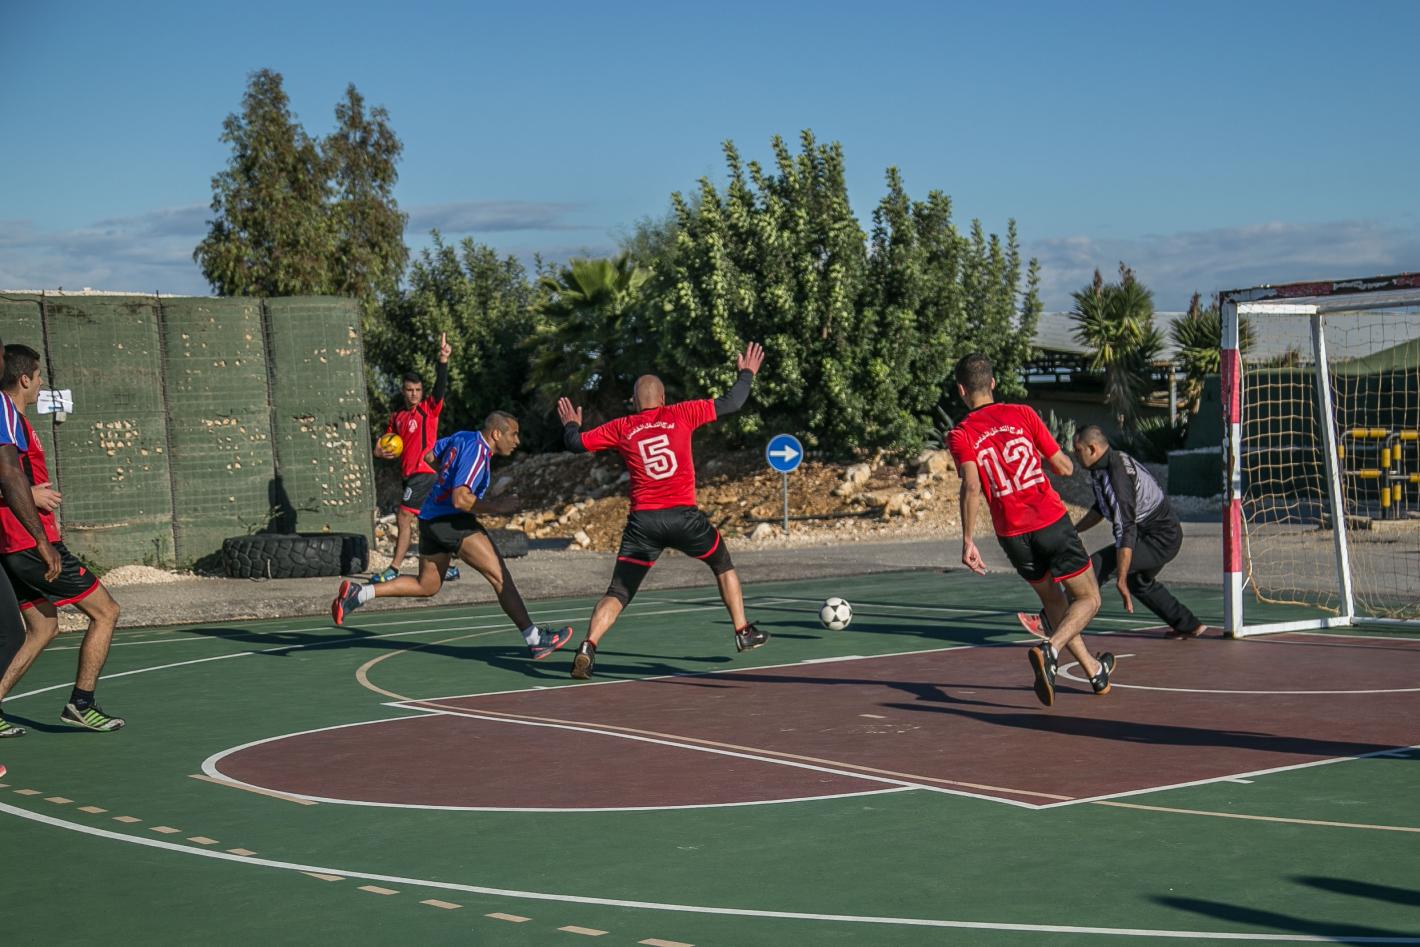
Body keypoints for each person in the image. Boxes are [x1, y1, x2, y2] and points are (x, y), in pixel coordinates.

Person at [556, 342, 769, 680]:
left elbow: (574, 443)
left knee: (618, 592)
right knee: (722, 563)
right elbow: (733, 402)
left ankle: (588, 646)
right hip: (684, 518)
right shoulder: (682, 413)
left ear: (633, 402)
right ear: (663, 399)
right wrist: (747, 374)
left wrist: (571, 424)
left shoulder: (621, 427)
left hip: (643, 524)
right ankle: (743, 630)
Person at [331, 411, 573, 660]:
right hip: (453, 522)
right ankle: (535, 640)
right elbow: (460, 500)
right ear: (496, 434)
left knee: (426, 585)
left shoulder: (462, 437)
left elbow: (429, 456)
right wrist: (497, 506)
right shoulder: (478, 453)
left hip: (429, 518)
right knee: (500, 577)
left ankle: (360, 593)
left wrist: (448, 479)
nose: (517, 441)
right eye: (513, 434)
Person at [945, 353, 1113, 706]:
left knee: (1054, 602)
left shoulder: (960, 434)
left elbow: (972, 486)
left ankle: (1095, 672)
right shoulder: (1022, 414)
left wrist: (968, 540)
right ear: (993, 383)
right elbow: (1064, 468)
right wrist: (1048, 462)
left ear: (961, 390)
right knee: (1089, 599)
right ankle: (1051, 649)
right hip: (1049, 521)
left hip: (1012, 535)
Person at [0, 344, 123, 735]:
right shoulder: (7, 416)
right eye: (38, 377)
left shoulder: (17, 420)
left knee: (43, 628)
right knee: (106, 612)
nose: (41, 384)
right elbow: (8, 477)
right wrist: (33, 507)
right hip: (28, 543)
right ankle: (81, 703)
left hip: (18, 544)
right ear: (24, 379)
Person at [1046, 425, 1208, 639]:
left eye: (1078, 450)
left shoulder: (1117, 474)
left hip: (1161, 538)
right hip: (1152, 534)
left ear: (1092, 449)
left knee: (1098, 565)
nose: (1075, 456)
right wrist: (1075, 530)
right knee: (1139, 583)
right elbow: (1101, 508)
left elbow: (1125, 529)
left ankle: (1050, 620)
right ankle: (1188, 625)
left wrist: (1121, 577)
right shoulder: (1104, 466)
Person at [373, 333, 458, 583]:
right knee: (427, 521)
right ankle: (445, 567)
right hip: (409, 476)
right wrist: (378, 452)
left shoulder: (428, 409)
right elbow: (386, 444)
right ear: (403, 391)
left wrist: (443, 361)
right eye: (409, 390)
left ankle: (394, 567)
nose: (414, 394)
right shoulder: (397, 417)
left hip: (425, 472)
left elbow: (439, 388)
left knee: (403, 516)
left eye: (418, 390)